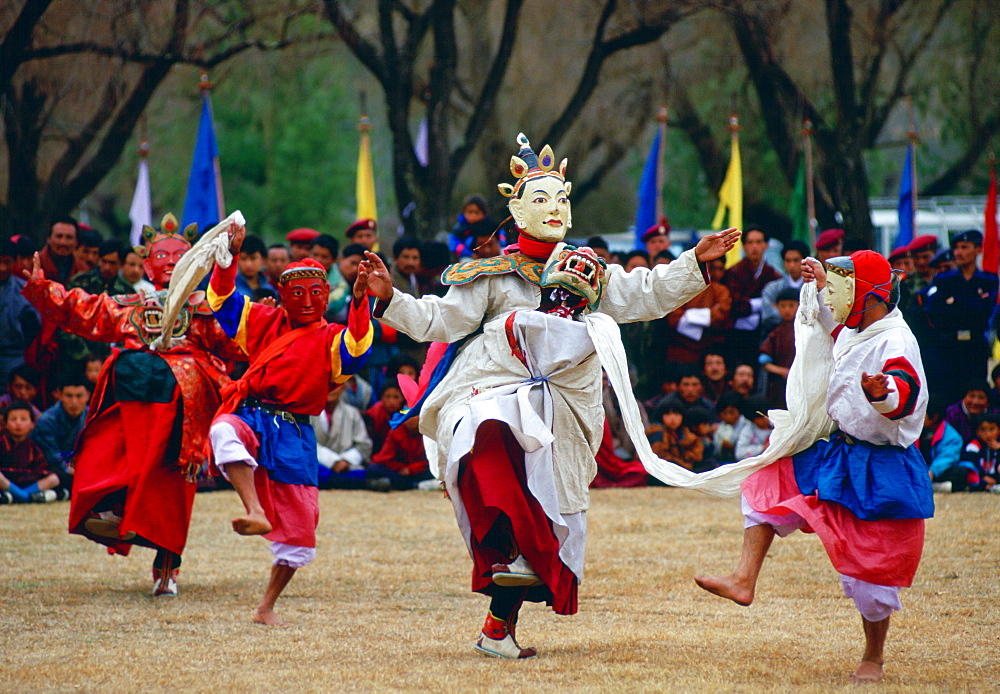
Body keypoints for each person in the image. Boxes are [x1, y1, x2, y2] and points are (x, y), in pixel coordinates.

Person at [355, 133, 738, 658]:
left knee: (551, 511)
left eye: (561, 199)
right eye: (540, 199)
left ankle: (497, 630)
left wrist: (694, 260)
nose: (554, 208)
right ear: (515, 211)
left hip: (565, 406)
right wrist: (390, 298)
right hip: (494, 386)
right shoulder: (490, 272)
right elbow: (441, 320)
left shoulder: (591, 272)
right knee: (484, 429)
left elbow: (647, 293)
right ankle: (508, 554)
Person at [694, 250, 934, 683]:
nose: (834, 297)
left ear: (868, 295)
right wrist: (825, 279)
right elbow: (835, 321)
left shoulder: (894, 341)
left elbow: (906, 393)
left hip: (881, 465)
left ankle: (874, 656)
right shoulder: (859, 324)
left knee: (871, 576)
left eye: (843, 288)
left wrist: (884, 393)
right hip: (838, 451)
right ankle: (744, 578)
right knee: (768, 481)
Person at [22, 212, 245, 597]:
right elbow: (85, 310)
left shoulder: (204, 307)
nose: (172, 261)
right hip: (132, 396)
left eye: (180, 254)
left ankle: (167, 567)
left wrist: (252, 315)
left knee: (173, 488)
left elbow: (235, 339)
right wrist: (44, 288)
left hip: (180, 407)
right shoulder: (131, 303)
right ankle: (111, 512)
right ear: (146, 263)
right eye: (162, 255)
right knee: (114, 459)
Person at [206, 227, 373, 626]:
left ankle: (266, 607)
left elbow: (357, 350)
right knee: (223, 431)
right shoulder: (263, 320)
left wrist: (360, 298)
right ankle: (254, 508)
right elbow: (222, 302)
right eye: (297, 294)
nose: (308, 301)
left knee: (299, 533)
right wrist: (228, 258)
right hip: (254, 416)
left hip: (296, 434)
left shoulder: (332, 337)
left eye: (316, 293)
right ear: (282, 296)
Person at [924, 230, 998, 402]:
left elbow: (986, 312)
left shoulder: (988, 280)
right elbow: (936, 313)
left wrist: (954, 302)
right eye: (956, 248)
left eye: (964, 247)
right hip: (949, 346)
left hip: (975, 347)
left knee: (975, 394)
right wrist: (972, 303)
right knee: (948, 395)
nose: (959, 253)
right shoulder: (944, 280)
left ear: (978, 249)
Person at [720, 227, 781, 368]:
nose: (754, 247)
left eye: (759, 242)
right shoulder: (733, 273)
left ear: (766, 245)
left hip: (763, 334)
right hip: (735, 337)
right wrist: (762, 303)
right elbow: (735, 306)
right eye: (750, 242)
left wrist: (749, 304)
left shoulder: (773, 275)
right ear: (743, 246)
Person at [665, 258, 732, 366]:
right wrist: (708, 315)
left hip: (710, 348)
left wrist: (687, 316)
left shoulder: (720, 290)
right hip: (680, 349)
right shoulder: (677, 288)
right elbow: (673, 318)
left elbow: (721, 315)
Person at [312, 382, 373, 491]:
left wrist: (345, 461)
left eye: (335, 386)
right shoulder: (309, 412)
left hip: (347, 466)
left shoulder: (352, 413)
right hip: (319, 464)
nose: (331, 390)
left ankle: (335, 480)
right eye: (327, 384)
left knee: (364, 472)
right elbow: (305, 443)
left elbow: (364, 445)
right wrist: (333, 461)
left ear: (343, 388)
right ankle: (347, 482)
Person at [0, 400, 62, 504]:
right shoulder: (2, 442)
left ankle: (19, 496)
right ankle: (25, 497)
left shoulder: (33, 446)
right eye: (13, 419)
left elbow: (41, 469)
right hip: (5, 480)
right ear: (5, 424)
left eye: (23, 419)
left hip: (25, 481)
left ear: (32, 424)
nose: (18, 423)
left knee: (54, 478)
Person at [0, 237, 41, 387]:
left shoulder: (24, 290)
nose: (2, 268)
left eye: (7, 262)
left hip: (14, 358)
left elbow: (33, 326)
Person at [758, 286, 799, 409]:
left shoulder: (808, 330)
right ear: (776, 307)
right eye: (782, 306)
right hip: (780, 384)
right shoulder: (775, 332)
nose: (787, 310)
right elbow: (763, 361)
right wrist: (783, 371)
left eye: (791, 305)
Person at [760, 239, 808, 333]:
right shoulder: (773, 287)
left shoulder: (813, 287)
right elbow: (767, 313)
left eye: (796, 260)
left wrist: (781, 309)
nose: (791, 265)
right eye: (787, 261)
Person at [920, 397, 966, 492]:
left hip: (935, 472)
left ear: (934, 417)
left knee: (959, 474)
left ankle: (933, 487)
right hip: (917, 470)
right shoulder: (913, 431)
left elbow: (947, 458)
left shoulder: (952, 436)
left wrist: (932, 472)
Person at [646, 400, 703, 471]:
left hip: (684, 467)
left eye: (676, 414)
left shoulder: (686, 432)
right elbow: (660, 457)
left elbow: (697, 454)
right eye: (668, 414)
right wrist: (683, 464)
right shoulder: (657, 433)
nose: (672, 418)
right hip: (662, 470)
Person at [38, 217, 88, 285]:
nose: (63, 242)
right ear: (48, 239)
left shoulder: (82, 269)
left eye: (69, 237)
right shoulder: (35, 264)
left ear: (76, 241)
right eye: (59, 236)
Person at [959, 412, 1000, 492]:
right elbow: (970, 462)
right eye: (983, 430)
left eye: (992, 429)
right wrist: (983, 476)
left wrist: (999, 449)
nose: (988, 434)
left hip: (995, 477)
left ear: (998, 430)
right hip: (980, 476)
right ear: (977, 432)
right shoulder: (974, 445)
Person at [733, 394, 773, 460]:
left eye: (766, 414)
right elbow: (739, 453)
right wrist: (762, 448)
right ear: (752, 418)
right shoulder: (748, 430)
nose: (765, 418)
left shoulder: (776, 425)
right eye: (761, 417)